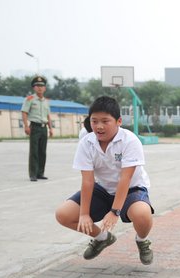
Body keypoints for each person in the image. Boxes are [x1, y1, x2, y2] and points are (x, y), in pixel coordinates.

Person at [55, 96, 155, 265]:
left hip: (131, 188)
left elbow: (126, 178)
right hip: (102, 189)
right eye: (94, 121)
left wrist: (115, 211)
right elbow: (87, 181)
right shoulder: (86, 143)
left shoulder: (130, 141)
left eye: (105, 121)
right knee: (63, 215)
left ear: (118, 121)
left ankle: (142, 240)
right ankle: (102, 238)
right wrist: (84, 214)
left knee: (142, 214)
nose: (99, 126)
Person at [21, 76, 53, 181]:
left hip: (44, 128)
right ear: (34, 88)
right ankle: (33, 174)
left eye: (42, 86)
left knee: (42, 151)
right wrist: (26, 126)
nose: (40, 88)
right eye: (37, 86)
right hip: (34, 127)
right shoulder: (30, 99)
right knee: (34, 151)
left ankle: (40, 173)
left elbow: (48, 116)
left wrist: (50, 128)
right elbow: (24, 112)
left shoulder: (46, 101)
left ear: (45, 88)